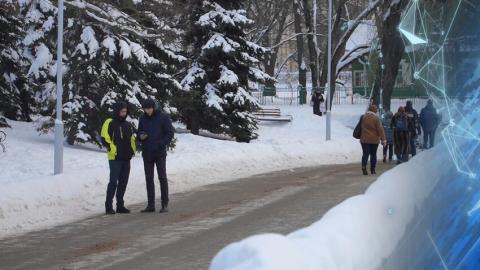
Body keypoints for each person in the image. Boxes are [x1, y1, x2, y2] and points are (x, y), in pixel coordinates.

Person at [138, 99, 175, 213]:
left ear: (154, 107)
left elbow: (170, 132)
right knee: (149, 178)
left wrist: (161, 143)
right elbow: (139, 131)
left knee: (162, 177)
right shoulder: (142, 118)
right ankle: (151, 204)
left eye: (149, 108)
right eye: (145, 109)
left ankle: (164, 203)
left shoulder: (163, 117)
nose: (148, 111)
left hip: (159, 152)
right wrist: (141, 136)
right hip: (147, 152)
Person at [101, 101, 137, 215]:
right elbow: (104, 137)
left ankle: (120, 205)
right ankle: (108, 206)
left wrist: (132, 150)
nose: (124, 113)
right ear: (117, 111)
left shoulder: (127, 125)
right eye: (122, 111)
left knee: (123, 182)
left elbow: (131, 139)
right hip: (115, 158)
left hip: (126, 158)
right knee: (113, 182)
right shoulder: (109, 122)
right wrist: (112, 149)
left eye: (125, 111)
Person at [360, 104, 386, 175]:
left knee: (365, 154)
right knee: (373, 154)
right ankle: (373, 170)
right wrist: (383, 139)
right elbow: (380, 129)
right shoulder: (376, 118)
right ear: (374, 110)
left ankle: (364, 167)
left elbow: (360, 127)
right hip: (374, 140)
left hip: (364, 139)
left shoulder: (363, 117)